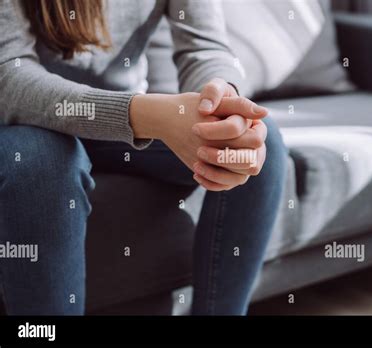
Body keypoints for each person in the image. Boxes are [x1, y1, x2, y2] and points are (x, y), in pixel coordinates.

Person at [0, 0, 287, 315]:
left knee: (255, 140)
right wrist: (146, 114)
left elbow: (204, 48)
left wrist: (220, 103)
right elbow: (10, 75)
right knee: (40, 164)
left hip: (120, 122)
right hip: (25, 125)